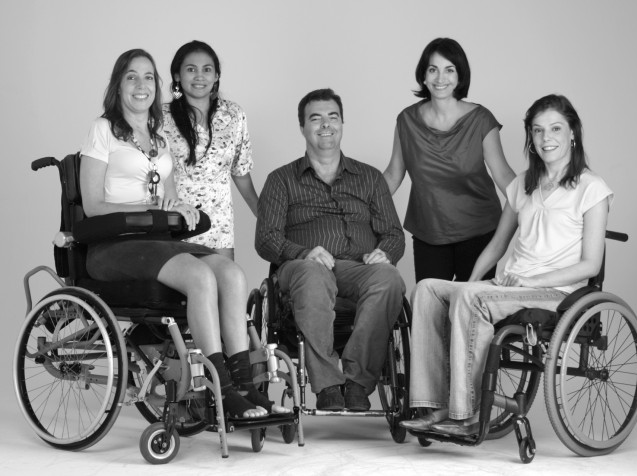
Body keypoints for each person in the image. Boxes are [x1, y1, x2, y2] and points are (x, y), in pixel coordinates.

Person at [79, 48, 286, 419]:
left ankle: (246, 387)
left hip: (154, 242)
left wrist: (180, 208)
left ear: (157, 84)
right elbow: (93, 205)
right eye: (131, 77)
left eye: (148, 77)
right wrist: (148, 210)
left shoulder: (158, 136)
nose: (141, 85)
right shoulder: (103, 129)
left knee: (232, 274)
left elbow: (168, 196)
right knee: (200, 277)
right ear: (118, 85)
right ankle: (221, 390)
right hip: (114, 246)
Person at [399, 94, 613, 435]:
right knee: (427, 290)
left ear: (573, 132)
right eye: (538, 130)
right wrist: (469, 283)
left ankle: (465, 415)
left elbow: (590, 264)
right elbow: (497, 246)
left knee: (471, 299)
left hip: (557, 292)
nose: (546, 138)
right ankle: (434, 405)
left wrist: (532, 282)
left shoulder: (591, 188)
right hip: (511, 287)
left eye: (556, 129)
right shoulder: (524, 185)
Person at [256, 88, 406, 411]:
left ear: (342, 124)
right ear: (302, 127)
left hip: (357, 269)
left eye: (332, 117)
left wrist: (386, 252)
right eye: (316, 118)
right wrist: (303, 253)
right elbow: (266, 238)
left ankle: (357, 383)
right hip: (301, 268)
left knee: (389, 278)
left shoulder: (370, 178)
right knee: (313, 273)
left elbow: (394, 233)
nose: (326, 125)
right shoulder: (281, 180)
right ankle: (327, 386)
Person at [383, 37, 516, 283]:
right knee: (430, 303)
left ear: (459, 75)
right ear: (423, 76)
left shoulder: (481, 119)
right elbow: (393, 174)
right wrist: (358, 203)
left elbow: (503, 174)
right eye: (433, 69)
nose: (440, 78)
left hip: (479, 230)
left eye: (449, 70)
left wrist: (536, 205)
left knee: (470, 305)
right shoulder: (406, 121)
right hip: (429, 231)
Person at [163, 40, 258, 261]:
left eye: (207, 69)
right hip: (175, 223)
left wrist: (260, 213)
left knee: (227, 281)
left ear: (216, 76)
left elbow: (240, 171)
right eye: (191, 69)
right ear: (177, 75)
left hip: (219, 227)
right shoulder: (160, 117)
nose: (199, 76)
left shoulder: (233, 114)